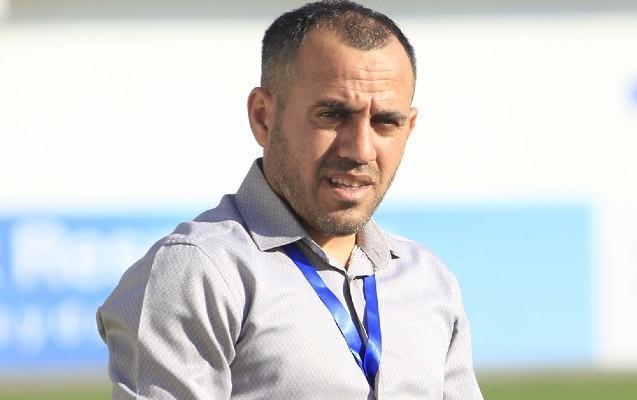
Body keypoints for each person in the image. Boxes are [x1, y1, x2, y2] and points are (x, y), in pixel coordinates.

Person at [96, 1, 483, 399]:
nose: (360, 149)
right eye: (332, 115)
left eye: (385, 122)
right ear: (263, 117)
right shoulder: (199, 271)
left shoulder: (428, 280)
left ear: (409, 127)